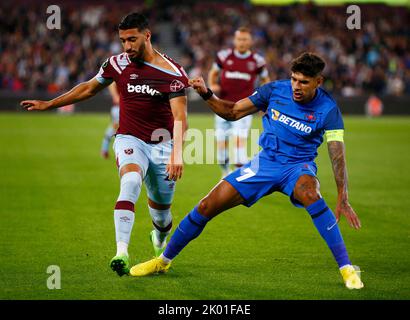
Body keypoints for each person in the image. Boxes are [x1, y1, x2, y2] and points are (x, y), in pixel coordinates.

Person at [129, 52, 364, 290]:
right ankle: (163, 260)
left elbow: (337, 154)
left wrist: (343, 196)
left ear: (318, 82)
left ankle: (346, 269)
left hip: (297, 167)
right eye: (294, 79)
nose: (296, 86)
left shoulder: (329, 109)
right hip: (263, 165)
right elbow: (232, 112)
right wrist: (207, 94)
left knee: (312, 194)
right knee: (206, 206)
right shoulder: (274, 91)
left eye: (304, 82)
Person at [20, 13, 190, 277]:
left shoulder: (172, 73)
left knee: (162, 217)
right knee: (131, 181)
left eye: (132, 39)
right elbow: (89, 88)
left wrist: (176, 155)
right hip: (129, 138)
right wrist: (50, 103)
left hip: (163, 146)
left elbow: (180, 117)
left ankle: (158, 237)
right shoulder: (117, 64)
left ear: (147, 35)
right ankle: (121, 252)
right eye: (122, 41)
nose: (127, 46)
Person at [208, 27, 270, 178]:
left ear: (250, 41)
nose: (242, 42)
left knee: (238, 143)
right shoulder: (223, 56)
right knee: (221, 146)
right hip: (222, 106)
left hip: (244, 108)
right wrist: (212, 85)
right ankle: (225, 172)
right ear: (235, 40)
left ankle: (238, 177)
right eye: (239, 39)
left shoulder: (257, 60)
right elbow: (213, 72)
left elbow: (266, 80)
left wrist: (264, 98)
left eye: (245, 39)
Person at [101, 82, 120, 159]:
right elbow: (116, 98)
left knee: (114, 129)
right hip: (119, 109)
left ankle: (104, 149)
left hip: (119, 109)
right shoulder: (115, 81)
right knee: (117, 130)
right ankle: (106, 150)